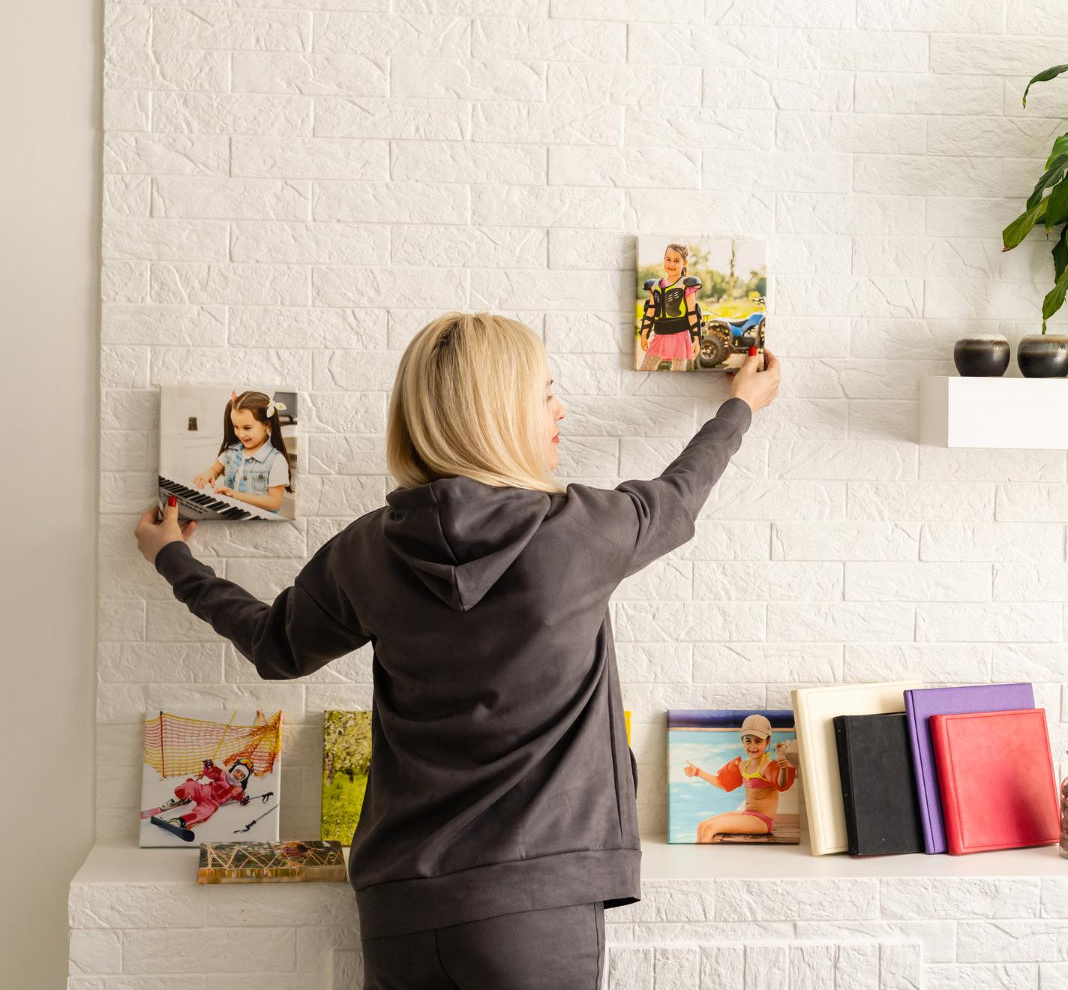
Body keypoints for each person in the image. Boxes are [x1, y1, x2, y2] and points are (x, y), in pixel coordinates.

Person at [134, 311, 782, 990]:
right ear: (499, 415)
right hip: (537, 910)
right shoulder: (583, 532)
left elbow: (276, 647)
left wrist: (175, 559)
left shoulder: (367, 550)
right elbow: (679, 497)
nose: (562, 409)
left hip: (401, 910)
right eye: (546, 394)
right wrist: (739, 406)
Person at [684, 714, 796, 842]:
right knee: (701, 826)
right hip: (748, 814)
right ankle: (701, 854)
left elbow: (781, 785)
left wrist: (783, 768)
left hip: (762, 821)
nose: (752, 746)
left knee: (710, 828)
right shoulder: (743, 765)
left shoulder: (767, 766)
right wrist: (698, 772)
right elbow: (721, 783)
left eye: (758, 741)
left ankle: (707, 855)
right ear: (742, 741)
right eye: (748, 741)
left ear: (767, 742)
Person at [191, 390, 292, 514]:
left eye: (247, 428)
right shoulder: (231, 452)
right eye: (236, 427)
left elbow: (274, 502)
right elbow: (215, 470)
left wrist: (236, 495)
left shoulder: (276, 460)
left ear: (266, 425)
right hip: (232, 514)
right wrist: (208, 474)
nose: (240, 434)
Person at [639, 242, 702, 372]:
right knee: (645, 370)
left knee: (678, 375)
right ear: (664, 260)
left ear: (684, 263)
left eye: (676, 261)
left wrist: (696, 339)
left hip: (680, 337)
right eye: (668, 259)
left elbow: (692, 314)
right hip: (659, 336)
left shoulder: (687, 285)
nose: (671, 264)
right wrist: (644, 334)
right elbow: (650, 312)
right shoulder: (655, 286)